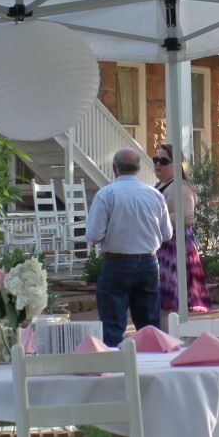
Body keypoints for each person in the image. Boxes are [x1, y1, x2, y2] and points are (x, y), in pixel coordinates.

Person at [85, 146, 171, 346]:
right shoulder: (154, 194)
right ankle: (149, 370)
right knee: (150, 325)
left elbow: (93, 234)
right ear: (138, 168)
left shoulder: (106, 194)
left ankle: (117, 368)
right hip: (148, 262)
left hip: (117, 262)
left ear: (115, 168)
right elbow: (167, 234)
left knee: (112, 325)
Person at [150, 144, 209, 318]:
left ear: (177, 165)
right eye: (156, 160)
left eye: (163, 161)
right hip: (164, 246)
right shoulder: (162, 184)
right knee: (163, 300)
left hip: (176, 248)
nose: (157, 164)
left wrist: (155, 220)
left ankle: (172, 339)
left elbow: (187, 218)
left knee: (171, 300)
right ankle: (163, 338)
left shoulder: (181, 188)